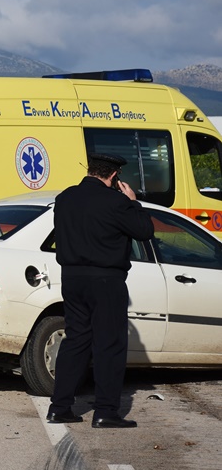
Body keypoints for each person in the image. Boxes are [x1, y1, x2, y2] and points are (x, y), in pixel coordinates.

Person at [46, 153, 154, 429]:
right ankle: (106, 411)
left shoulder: (65, 198)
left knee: (76, 340)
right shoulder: (118, 202)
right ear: (115, 176)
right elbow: (144, 230)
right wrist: (134, 203)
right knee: (109, 345)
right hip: (105, 280)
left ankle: (59, 408)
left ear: (90, 170)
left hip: (71, 278)